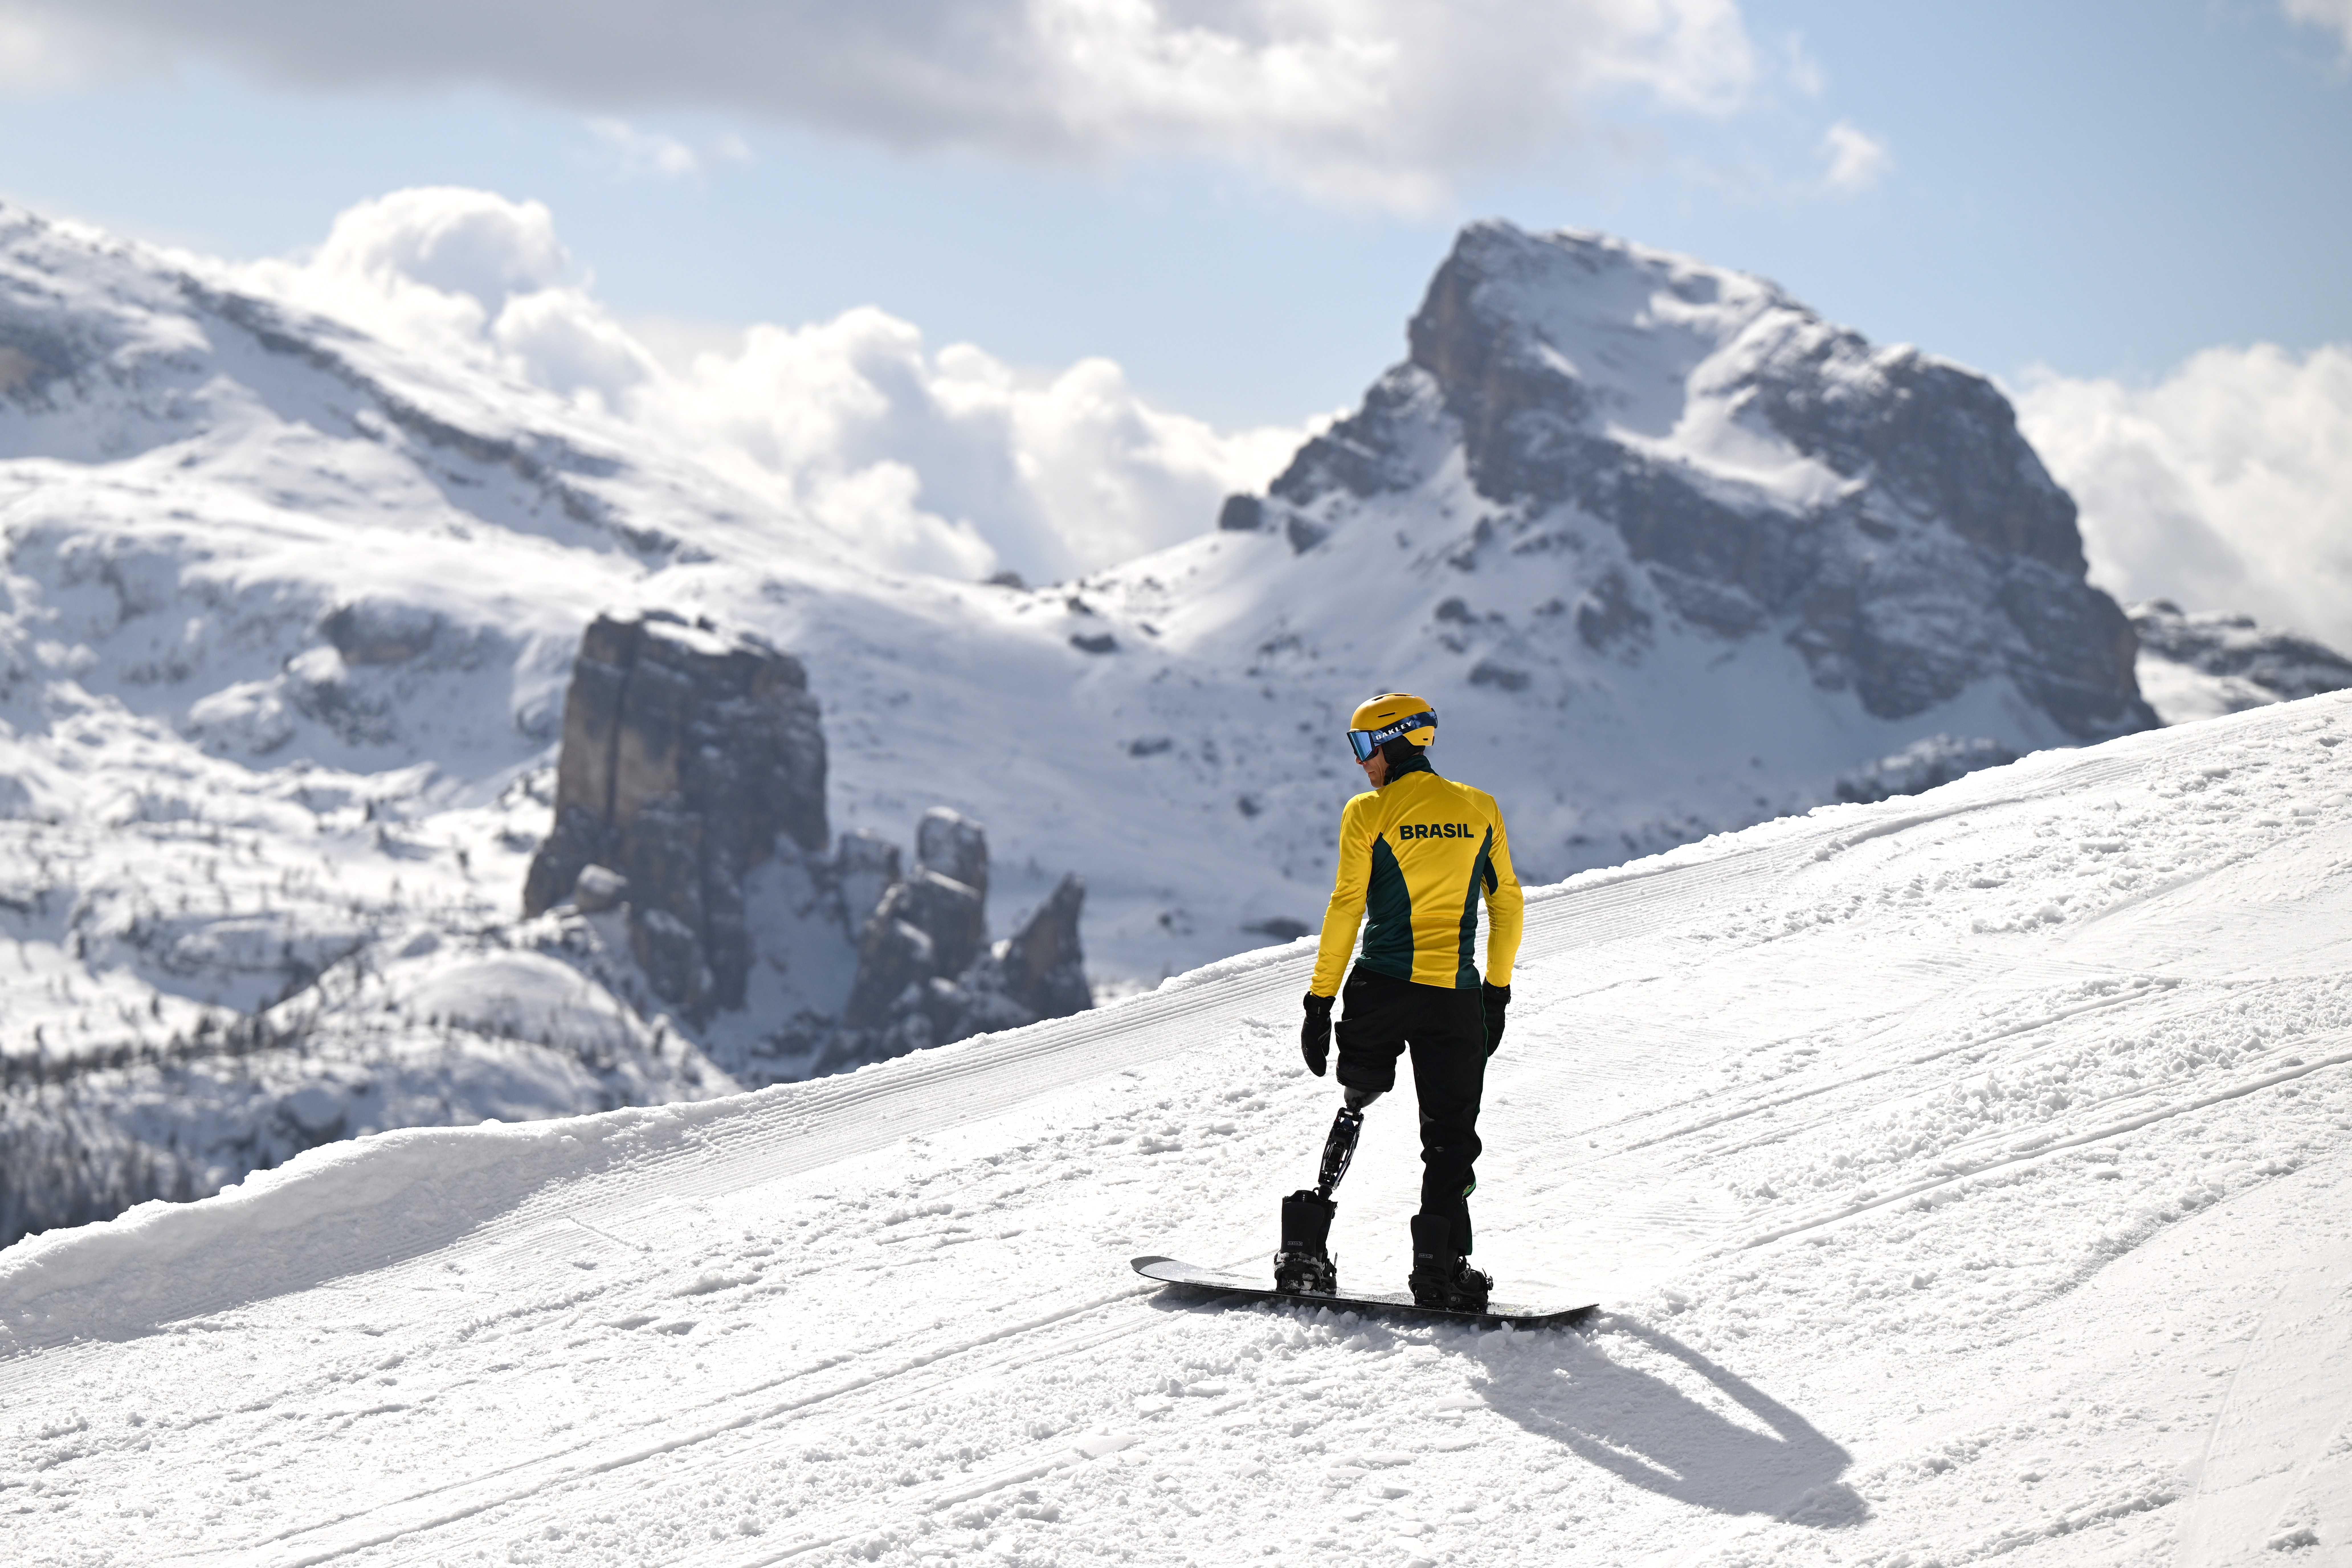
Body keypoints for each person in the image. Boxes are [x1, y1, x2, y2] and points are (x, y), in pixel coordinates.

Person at [1276, 692, 1523, 1310]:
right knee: (1450, 1136)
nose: (1361, 763)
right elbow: (1508, 904)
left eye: (1363, 746)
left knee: (1356, 1099)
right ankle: (1441, 1267)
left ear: (1393, 742)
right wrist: (1497, 990)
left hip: (1380, 990)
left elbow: (1345, 907)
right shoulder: (1480, 808)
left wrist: (1319, 999)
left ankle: (1306, 1249)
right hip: (1455, 999)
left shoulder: (1368, 812)